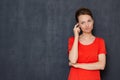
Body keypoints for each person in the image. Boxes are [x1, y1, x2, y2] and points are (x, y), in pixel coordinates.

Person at [67, 7, 107, 80]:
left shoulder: (100, 41)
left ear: (93, 21)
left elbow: (101, 65)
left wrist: (77, 65)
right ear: (78, 25)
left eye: (89, 21)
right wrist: (76, 36)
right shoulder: (72, 40)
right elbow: (73, 60)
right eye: (83, 22)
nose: (87, 25)